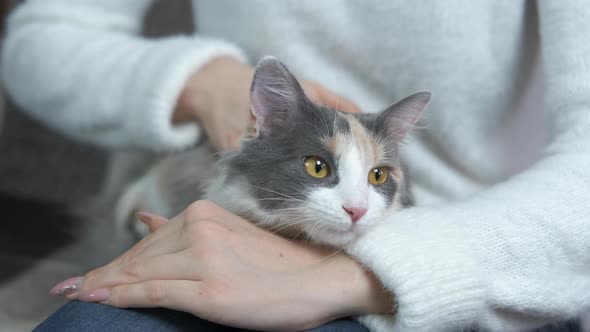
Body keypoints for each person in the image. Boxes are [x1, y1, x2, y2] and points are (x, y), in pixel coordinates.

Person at [2, 1, 589, 331]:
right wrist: (203, 84)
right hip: (247, 225)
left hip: (474, 259)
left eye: (379, 176)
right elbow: (44, 36)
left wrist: (370, 278)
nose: (360, 198)